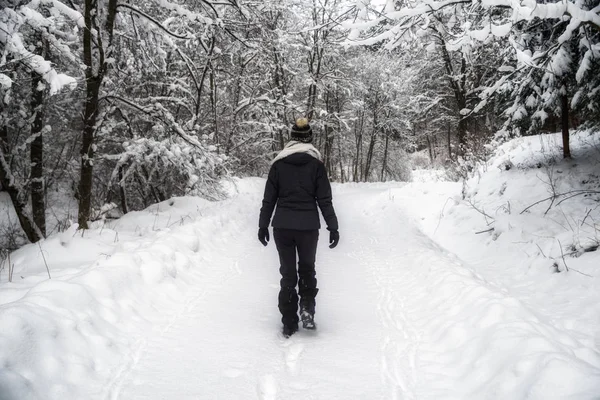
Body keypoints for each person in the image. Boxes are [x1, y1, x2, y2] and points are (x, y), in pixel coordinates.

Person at [258, 118, 339, 338]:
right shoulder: (316, 165)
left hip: (282, 227)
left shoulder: (278, 164)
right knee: (307, 269)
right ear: (310, 138)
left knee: (287, 273)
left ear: (291, 139)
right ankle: (307, 309)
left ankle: (289, 322)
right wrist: (333, 226)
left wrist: (263, 225)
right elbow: (324, 200)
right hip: (308, 228)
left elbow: (268, 200)